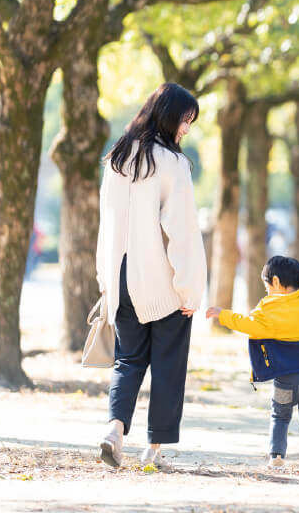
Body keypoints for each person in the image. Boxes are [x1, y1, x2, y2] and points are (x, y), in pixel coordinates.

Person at [96, 83, 208, 468]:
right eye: (185, 119)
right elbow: (182, 233)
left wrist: (105, 281)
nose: (186, 129)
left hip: (122, 278)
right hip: (161, 280)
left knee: (127, 361)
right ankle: (154, 450)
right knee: (168, 364)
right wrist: (190, 290)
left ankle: (114, 429)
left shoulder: (116, 159)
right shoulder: (172, 163)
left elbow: (104, 227)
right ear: (169, 116)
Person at [206, 256, 299, 473]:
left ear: (275, 281)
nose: (266, 290)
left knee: (280, 416)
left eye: (266, 285)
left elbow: (246, 324)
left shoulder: (268, 310)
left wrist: (223, 315)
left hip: (285, 379)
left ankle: (276, 458)